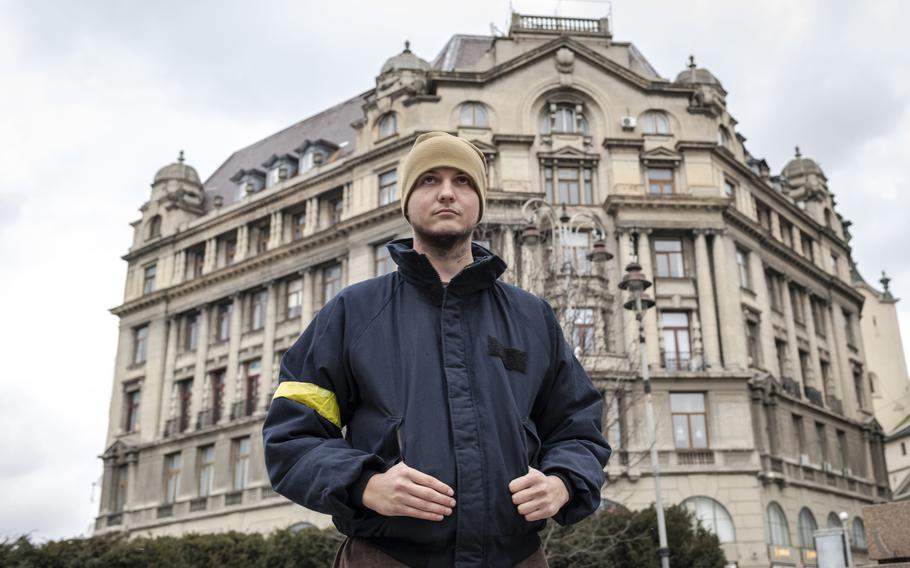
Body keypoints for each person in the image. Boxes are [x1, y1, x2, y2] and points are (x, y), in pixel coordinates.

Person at [262, 131, 611, 567]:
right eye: (429, 180)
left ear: (479, 202)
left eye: (463, 181)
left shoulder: (531, 317)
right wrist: (365, 483)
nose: (447, 192)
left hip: (518, 558)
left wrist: (562, 481)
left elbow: (578, 426)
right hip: (386, 558)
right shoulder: (352, 312)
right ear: (406, 202)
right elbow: (291, 435)